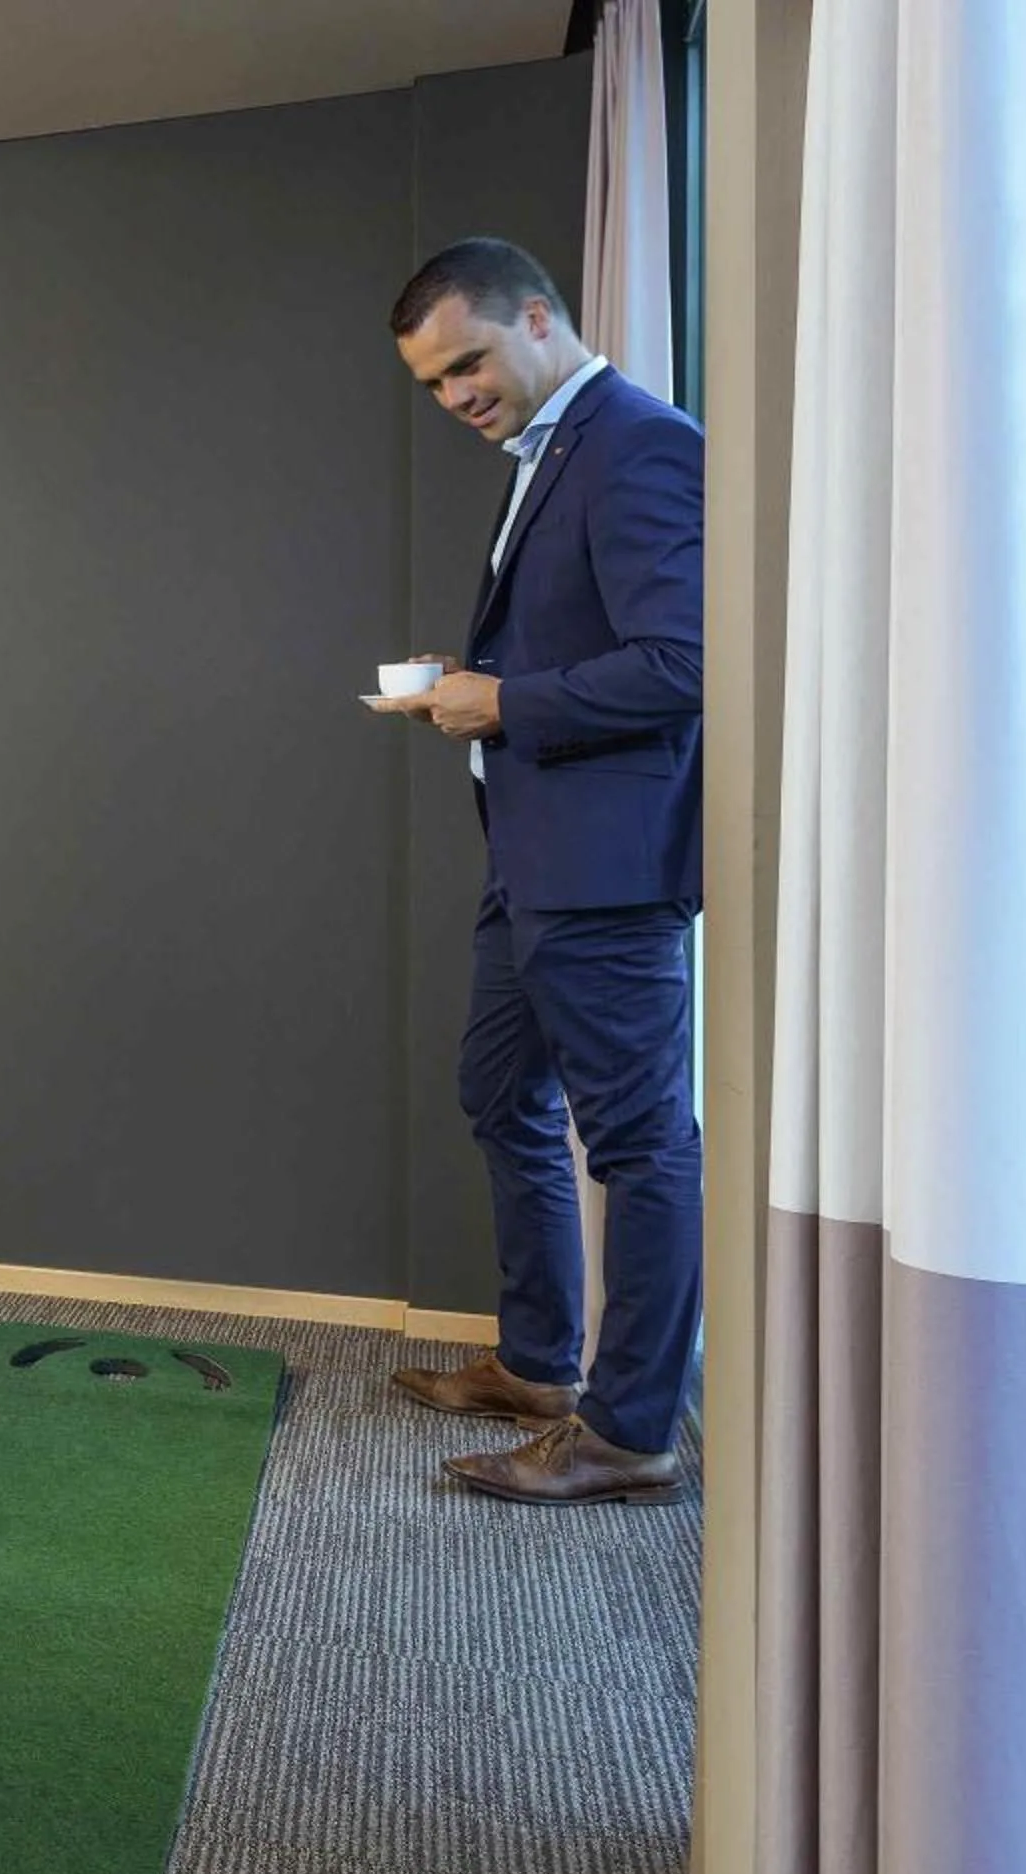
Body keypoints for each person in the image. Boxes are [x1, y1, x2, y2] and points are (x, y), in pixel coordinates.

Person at [375, 237, 704, 1506]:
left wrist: (504, 700)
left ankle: (627, 1433)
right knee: (498, 1094)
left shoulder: (637, 441)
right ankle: (538, 1363)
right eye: (433, 383)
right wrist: (473, 700)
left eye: (468, 363)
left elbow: (684, 665)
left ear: (538, 319)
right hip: (533, 857)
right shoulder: (550, 452)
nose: (457, 396)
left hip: (607, 868)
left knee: (637, 1144)